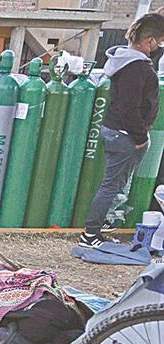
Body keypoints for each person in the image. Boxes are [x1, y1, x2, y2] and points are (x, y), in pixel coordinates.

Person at [80, 13, 164, 249]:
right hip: (125, 135)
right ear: (149, 41)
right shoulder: (137, 68)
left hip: (117, 131)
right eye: (158, 42)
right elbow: (130, 107)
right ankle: (90, 234)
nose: (158, 48)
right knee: (111, 185)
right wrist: (139, 138)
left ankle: (99, 227)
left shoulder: (125, 62)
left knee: (114, 185)